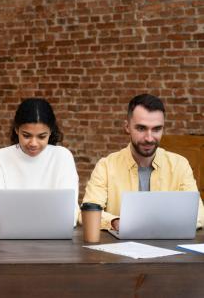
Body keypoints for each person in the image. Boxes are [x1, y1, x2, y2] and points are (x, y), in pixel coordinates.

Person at [82, 93, 204, 230]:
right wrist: (115, 221)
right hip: (118, 247)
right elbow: (88, 211)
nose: (149, 138)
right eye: (141, 128)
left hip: (170, 247)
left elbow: (198, 214)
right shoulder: (106, 166)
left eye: (157, 129)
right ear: (127, 127)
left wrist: (160, 225)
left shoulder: (179, 165)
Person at [0, 98, 79, 228]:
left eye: (41, 136)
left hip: (53, 240)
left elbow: (70, 215)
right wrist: (45, 217)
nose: (33, 143)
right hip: (10, 241)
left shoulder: (62, 157)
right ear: (16, 129)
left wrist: (17, 216)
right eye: (26, 135)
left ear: (51, 132)